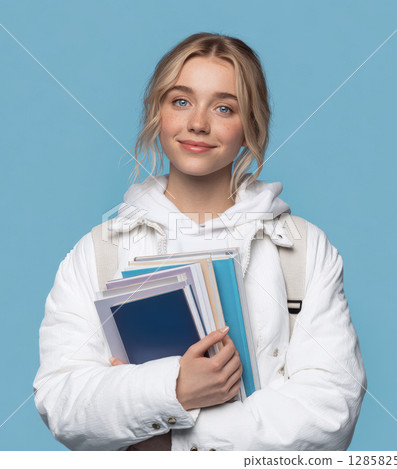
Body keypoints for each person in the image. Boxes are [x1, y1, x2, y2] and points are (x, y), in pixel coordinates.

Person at [33, 32, 366, 451]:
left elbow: (331, 409)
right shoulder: (97, 253)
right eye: (181, 101)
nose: (198, 123)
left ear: (250, 127)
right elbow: (62, 400)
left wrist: (171, 427)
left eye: (224, 107)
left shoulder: (303, 250)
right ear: (158, 111)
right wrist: (174, 388)